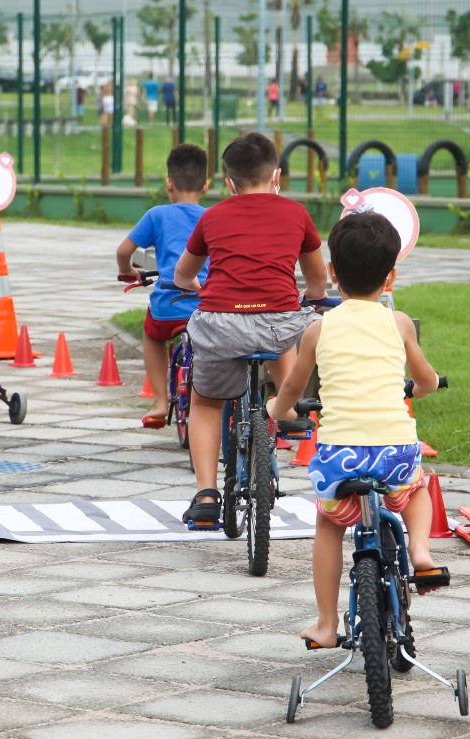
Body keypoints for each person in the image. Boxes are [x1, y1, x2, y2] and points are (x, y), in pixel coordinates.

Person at [267, 211, 444, 649]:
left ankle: (327, 624)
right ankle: (420, 551)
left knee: (329, 525)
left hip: (339, 457)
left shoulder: (317, 329)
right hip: (394, 451)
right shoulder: (399, 323)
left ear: (330, 274)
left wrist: (278, 409)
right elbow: (425, 378)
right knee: (417, 490)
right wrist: (425, 388)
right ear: (391, 277)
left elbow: (292, 385)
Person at [172, 132, 329, 525]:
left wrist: (196, 287)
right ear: (277, 175)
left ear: (229, 183)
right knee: (289, 319)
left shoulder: (212, 216)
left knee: (205, 403)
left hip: (221, 323)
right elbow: (316, 281)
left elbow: (182, 274)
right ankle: (289, 409)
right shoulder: (297, 214)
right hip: (277, 324)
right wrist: (311, 296)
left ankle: (206, 495)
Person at [115, 144, 210, 428]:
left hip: (168, 309)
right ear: (206, 185)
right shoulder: (213, 217)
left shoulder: (157, 215)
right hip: (206, 306)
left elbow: (123, 251)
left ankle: (158, 401)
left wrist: (127, 272)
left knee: (152, 336)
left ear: (169, 182)